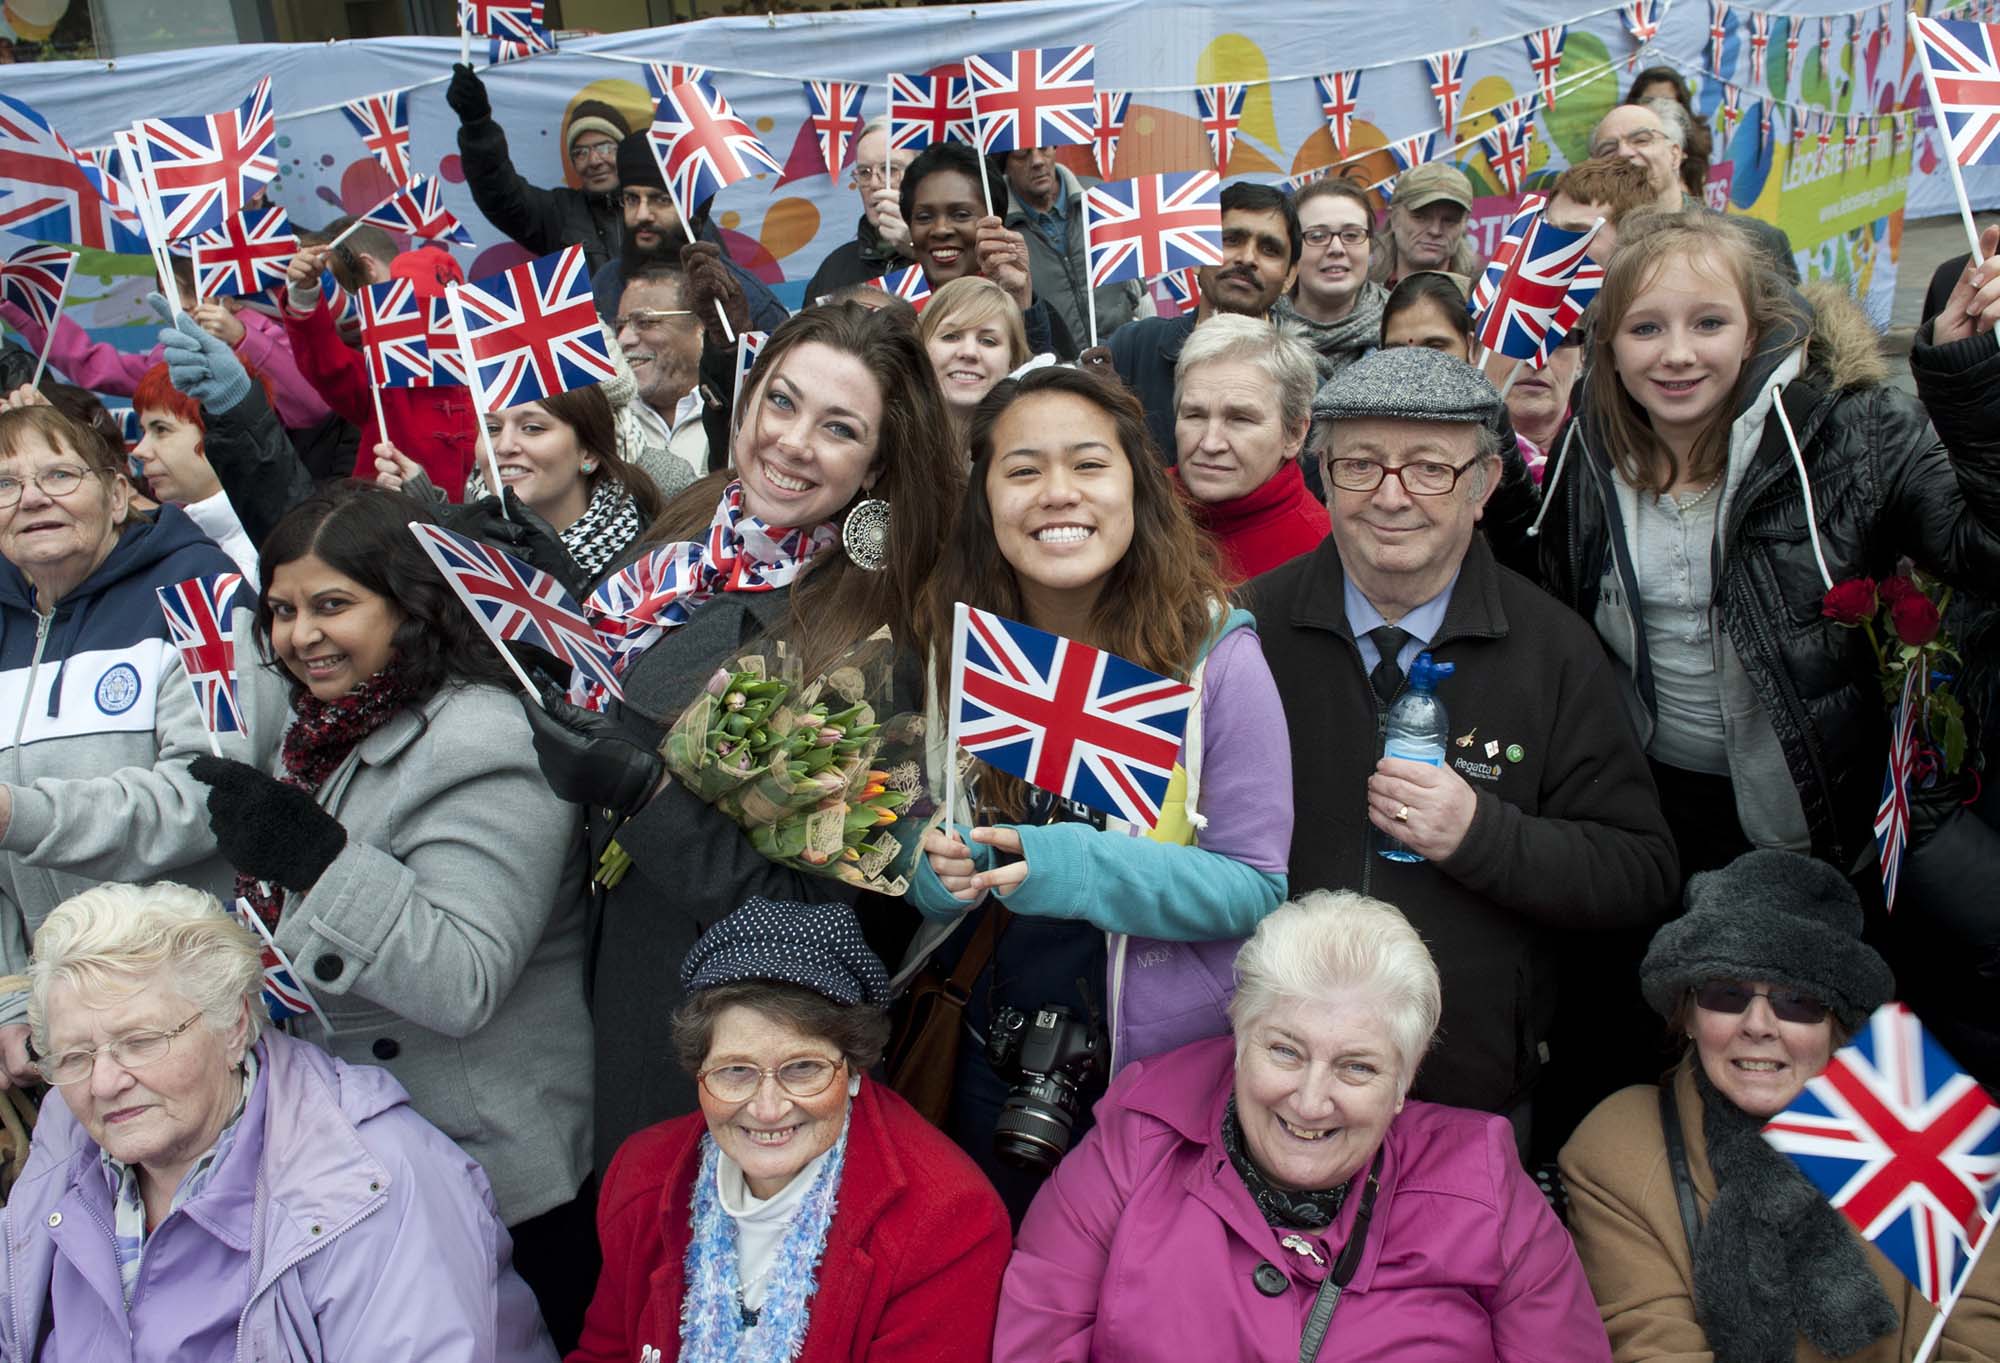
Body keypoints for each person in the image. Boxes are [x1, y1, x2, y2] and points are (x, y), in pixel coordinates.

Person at [516, 303, 963, 1171]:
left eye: (839, 428)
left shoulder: (868, 646)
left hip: (709, 1050)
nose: (793, 442)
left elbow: (817, 925)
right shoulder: (700, 520)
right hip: (585, 987)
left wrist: (646, 797)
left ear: (877, 467)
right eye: (782, 402)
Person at [185, 482, 597, 1347]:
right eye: (283, 609)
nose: (301, 634)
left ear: (409, 606)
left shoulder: (481, 735)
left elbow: (462, 976)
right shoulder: (321, 730)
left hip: (495, 1174)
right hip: (371, 1163)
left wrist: (319, 862)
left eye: (333, 604)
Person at [1243, 346, 1678, 1145]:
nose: (1392, 495)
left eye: (1429, 468)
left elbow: (1638, 872)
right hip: (1275, 1084)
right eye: (1361, 465)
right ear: (1321, 476)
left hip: (1467, 1095)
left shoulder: (1553, 650)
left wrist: (1482, 835)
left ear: (1482, 485)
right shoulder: (1246, 632)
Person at [910, 365, 1293, 1220]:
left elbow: (1258, 884)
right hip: (990, 1046)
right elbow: (923, 822)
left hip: (1152, 1070)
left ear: (1136, 487)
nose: (1056, 494)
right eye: (1022, 470)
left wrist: (1080, 866)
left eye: (1088, 465)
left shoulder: (1214, 655)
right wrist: (933, 871)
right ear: (985, 498)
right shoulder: (963, 639)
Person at [1530, 209, 2000, 878]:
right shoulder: (1592, 439)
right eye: (1645, 327)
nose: (1678, 353)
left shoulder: (1857, 433)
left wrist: (1969, 380)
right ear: (1609, 344)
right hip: (1642, 809)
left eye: (1709, 322)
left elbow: (1983, 552)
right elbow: (1544, 596)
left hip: (1816, 826)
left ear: (1755, 333)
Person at [994, 889, 1614, 1362]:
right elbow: (1038, 1337)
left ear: (1405, 1079)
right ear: (1240, 1036)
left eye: (1357, 1067)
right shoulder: (1138, 1138)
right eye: (1286, 1051)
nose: (1311, 1101)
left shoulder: (1484, 1184)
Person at [0, 881, 558, 1361]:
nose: (102, 1083)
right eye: (74, 1057)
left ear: (234, 1026)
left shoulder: (371, 1182)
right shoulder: (65, 1142)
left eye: (141, 1042)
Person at [1560, 850, 2000, 1360]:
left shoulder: (1941, 1131)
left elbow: (1982, 1337)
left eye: (1798, 1002)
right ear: (1687, 1015)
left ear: (1838, 1024)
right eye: (1727, 994)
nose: (1759, 1025)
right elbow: (1653, 1347)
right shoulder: (1620, 1144)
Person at [572, 897, 1010, 1362]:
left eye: (802, 1068)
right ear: (699, 1070)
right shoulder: (642, 1174)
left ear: (857, 1066)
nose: (767, 1109)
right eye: (736, 1071)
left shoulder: (948, 1222)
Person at [0, 403, 283, 1089]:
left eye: (60, 474)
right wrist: (12, 994)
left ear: (121, 493)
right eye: (6, 483)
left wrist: (19, 813)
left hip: (192, 1009)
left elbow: (209, 793)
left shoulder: (202, 599)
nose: (32, 496)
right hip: (62, 1026)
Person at [383, 385, 670, 594]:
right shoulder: (462, 554)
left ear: (588, 454)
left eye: (532, 428)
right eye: (492, 428)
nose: (504, 446)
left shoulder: (651, 569)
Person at [0, 258, 333, 435]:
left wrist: (241, 337)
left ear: (227, 295)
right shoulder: (168, 358)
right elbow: (88, 363)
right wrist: (16, 299)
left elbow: (313, 407)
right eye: (169, 295)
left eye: (188, 292)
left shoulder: (268, 333)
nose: (183, 308)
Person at [1109, 181, 1301, 459]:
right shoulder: (1134, 348)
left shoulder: (1302, 382)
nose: (1247, 258)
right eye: (1231, 240)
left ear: (1290, 277)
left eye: (1269, 249)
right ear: (1196, 255)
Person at [281, 234, 479, 495]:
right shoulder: (384, 372)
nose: (432, 328)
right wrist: (303, 293)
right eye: (416, 314)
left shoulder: (494, 378)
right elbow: (326, 364)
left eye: (442, 317)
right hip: (388, 523)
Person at [1172, 314, 1328, 581]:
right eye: (1195, 415)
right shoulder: (1133, 506)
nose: (1210, 443)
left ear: (1294, 433)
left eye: (1240, 419)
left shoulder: (1323, 557)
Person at [589, 134, 789, 333]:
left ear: (695, 212)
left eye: (661, 200)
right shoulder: (606, 282)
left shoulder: (751, 302)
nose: (642, 215)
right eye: (632, 199)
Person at [447, 61, 628, 273]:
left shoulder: (660, 203)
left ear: (625, 151)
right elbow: (500, 195)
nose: (595, 161)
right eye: (581, 152)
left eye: (605, 147)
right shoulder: (560, 214)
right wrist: (477, 125)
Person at [1590, 100, 1799, 281]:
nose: (1624, 152)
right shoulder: (1590, 256)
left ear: (1674, 154)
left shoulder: (1755, 242)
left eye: (1641, 140)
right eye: (1608, 150)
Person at [900, 142, 1074, 359]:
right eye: (924, 217)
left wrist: (1023, 312)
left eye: (961, 214)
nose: (941, 229)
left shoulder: (1034, 311)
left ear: (995, 222)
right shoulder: (894, 316)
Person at [998, 144, 1146, 349]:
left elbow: (1138, 288)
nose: (1038, 161)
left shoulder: (1099, 197)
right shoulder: (997, 228)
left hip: (1124, 356)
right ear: (1005, 165)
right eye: (1022, 155)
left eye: (1044, 148)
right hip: (1056, 369)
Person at [130, 359, 264, 580]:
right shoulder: (197, 536)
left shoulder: (256, 558)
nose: (139, 451)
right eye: (143, 431)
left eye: (161, 429)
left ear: (221, 432)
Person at [612, 262, 716, 485]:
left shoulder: (741, 412)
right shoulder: (607, 420)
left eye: (644, 322)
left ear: (700, 328)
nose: (623, 339)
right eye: (620, 326)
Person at [1273, 177, 1384, 382]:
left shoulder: (1399, 327)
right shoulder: (1258, 330)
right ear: (1292, 249)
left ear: (1370, 245)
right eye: (1317, 236)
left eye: (1351, 235)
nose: (1336, 249)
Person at [804, 117, 918, 304]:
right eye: (864, 172)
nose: (874, 183)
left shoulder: (949, 257)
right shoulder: (835, 267)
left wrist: (918, 249)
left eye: (890, 169)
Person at [917, 275, 1031, 453]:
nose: (969, 352)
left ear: (1013, 361)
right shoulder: (884, 446)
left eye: (988, 341)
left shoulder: (1034, 447)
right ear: (920, 349)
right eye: (951, 336)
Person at [1368, 162, 1480, 287]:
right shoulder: (1357, 294)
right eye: (1420, 217)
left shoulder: (1483, 299)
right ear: (1394, 218)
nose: (1435, 231)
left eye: (1449, 220)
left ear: (1464, 225)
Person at [1624, 66, 1713, 198]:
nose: (1656, 105)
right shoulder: (1619, 140)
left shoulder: (1696, 145)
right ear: (1634, 102)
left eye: (1666, 101)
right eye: (1649, 100)